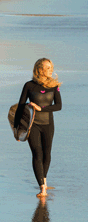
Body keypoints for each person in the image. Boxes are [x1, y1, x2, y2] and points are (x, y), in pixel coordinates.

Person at [14, 58, 62, 198]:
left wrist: (40, 108)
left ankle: (44, 180)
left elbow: (58, 106)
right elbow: (20, 107)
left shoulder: (54, 86)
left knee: (47, 154)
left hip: (48, 125)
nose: (51, 70)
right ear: (40, 69)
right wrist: (17, 130)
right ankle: (42, 187)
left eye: (51, 67)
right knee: (37, 153)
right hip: (32, 125)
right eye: (48, 68)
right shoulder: (29, 85)